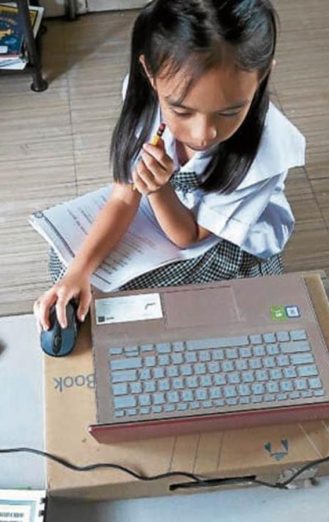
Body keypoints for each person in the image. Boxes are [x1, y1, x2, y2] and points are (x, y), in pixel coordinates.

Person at [35, 0, 305, 331]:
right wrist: (79, 271)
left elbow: (188, 236)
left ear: (262, 75)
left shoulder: (267, 153)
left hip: (220, 237)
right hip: (167, 205)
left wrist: (160, 189)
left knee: (121, 291)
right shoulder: (143, 98)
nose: (203, 134)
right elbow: (123, 196)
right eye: (182, 111)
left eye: (229, 112)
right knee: (64, 265)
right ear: (150, 74)